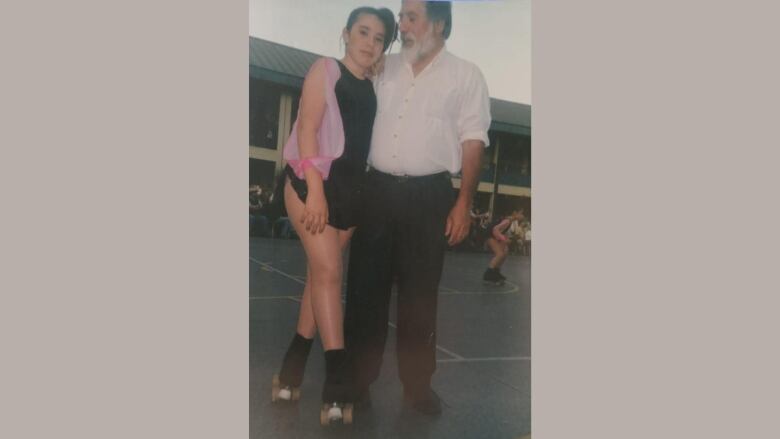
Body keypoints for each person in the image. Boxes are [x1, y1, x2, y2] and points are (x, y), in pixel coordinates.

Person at [344, 0, 491, 415]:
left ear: (439, 23)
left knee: (419, 297)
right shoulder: (384, 66)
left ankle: (417, 387)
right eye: (402, 16)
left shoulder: (466, 75)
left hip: (429, 198)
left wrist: (463, 202)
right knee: (364, 291)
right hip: (376, 191)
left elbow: (473, 141)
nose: (401, 25)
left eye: (411, 17)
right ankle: (358, 380)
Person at [269, 6, 397, 426]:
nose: (370, 42)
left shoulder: (373, 84)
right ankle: (338, 383)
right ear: (345, 34)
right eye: (363, 32)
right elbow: (307, 130)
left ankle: (290, 370)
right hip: (310, 183)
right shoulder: (324, 70)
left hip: (350, 196)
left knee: (318, 278)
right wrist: (317, 192)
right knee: (328, 276)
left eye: (379, 38)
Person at [482, 209, 524, 284]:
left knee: (505, 252)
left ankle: (496, 272)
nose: (522, 216)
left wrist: (505, 239)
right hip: (489, 234)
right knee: (500, 254)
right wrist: (504, 239)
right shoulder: (507, 221)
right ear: (515, 213)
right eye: (521, 213)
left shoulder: (510, 220)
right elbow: (495, 229)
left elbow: (500, 231)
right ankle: (488, 274)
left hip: (493, 234)